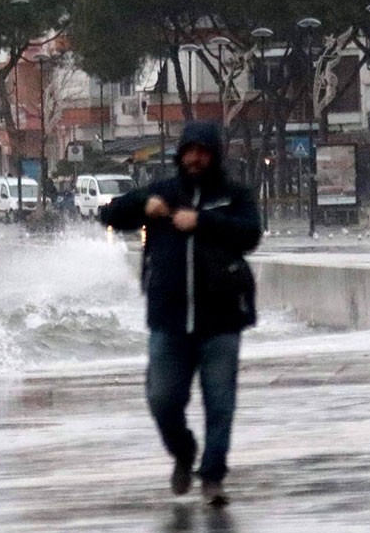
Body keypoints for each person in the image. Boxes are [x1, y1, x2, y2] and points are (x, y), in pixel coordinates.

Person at [98, 122, 261, 506]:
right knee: (161, 400)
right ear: (179, 155)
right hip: (169, 320)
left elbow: (251, 234)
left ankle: (213, 477)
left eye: (203, 151)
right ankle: (184, 452)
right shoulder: (163, 192)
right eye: (189, 151)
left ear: (215, 154)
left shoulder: (233, 195)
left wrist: (202, 220)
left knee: (220, 404)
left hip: (221, 319)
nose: (195, 158)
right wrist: (142, 207)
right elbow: (109, 215)